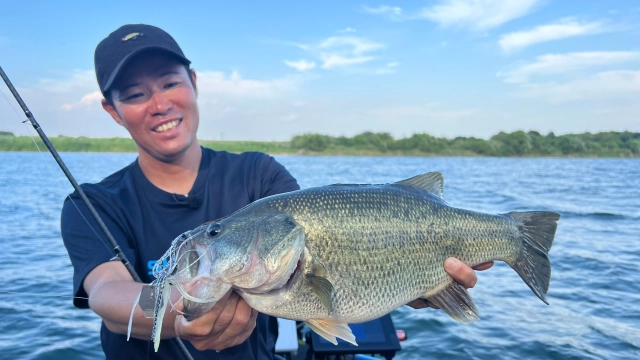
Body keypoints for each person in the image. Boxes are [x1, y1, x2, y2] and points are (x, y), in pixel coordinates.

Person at [61, 24, 493, 360]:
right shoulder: (91, 203)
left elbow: (335, 256)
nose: (159, 104)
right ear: (112, 111)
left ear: (193, 82)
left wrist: (415, 281)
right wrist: (172, 309)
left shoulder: (258, 174)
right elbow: (104, 293)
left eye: (170, 82)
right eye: (135, 94)